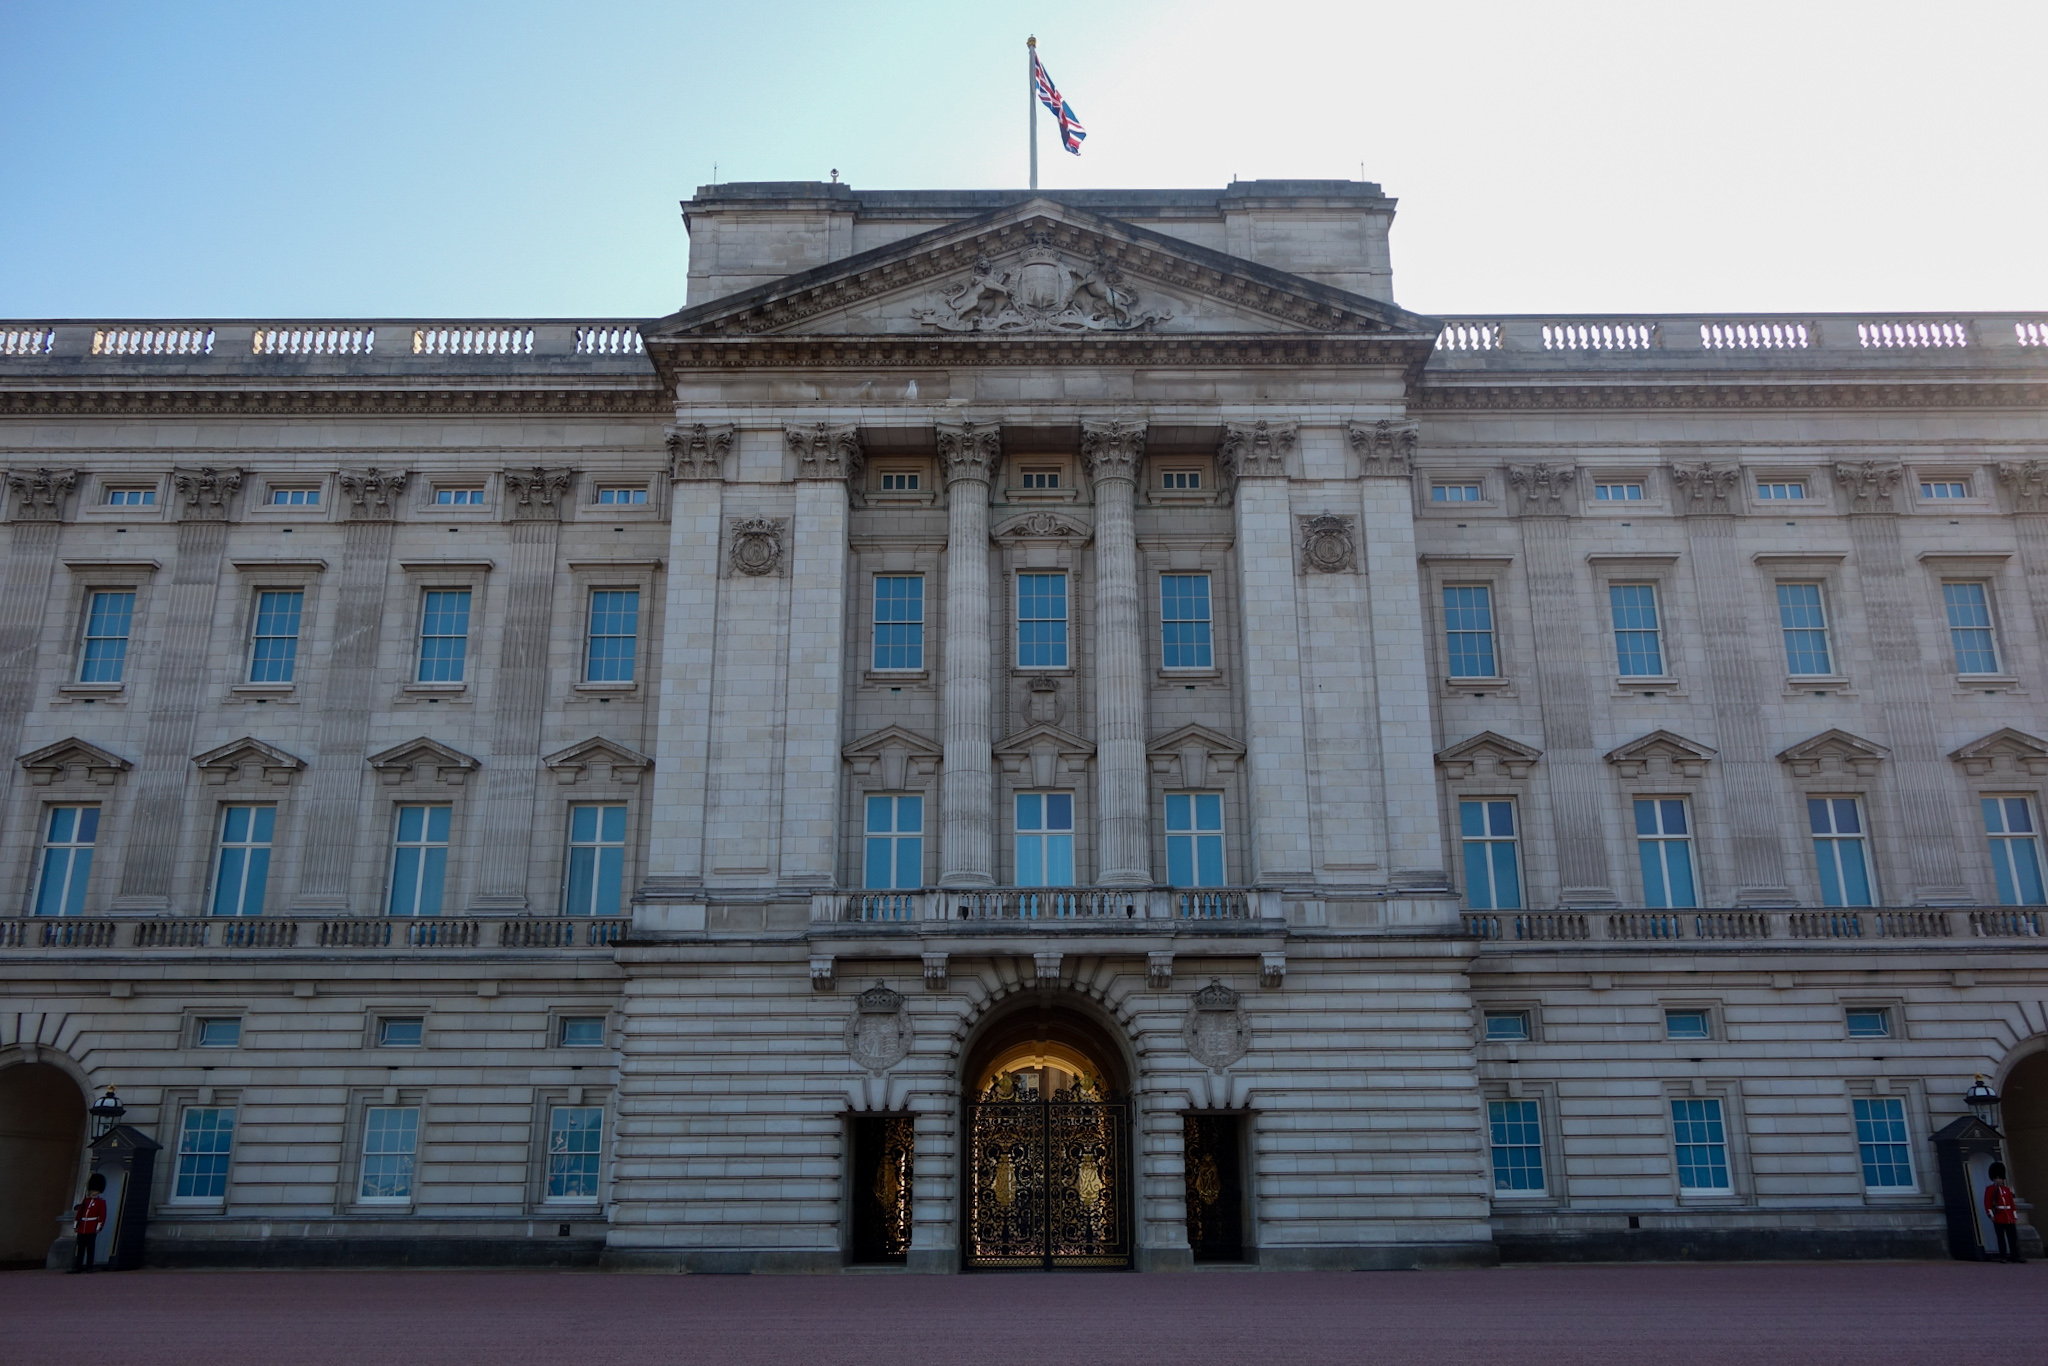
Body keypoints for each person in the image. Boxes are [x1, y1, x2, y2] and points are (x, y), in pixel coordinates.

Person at [1983, 1161, 2024, 1263]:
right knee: (2001, 1238)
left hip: (2009, 1216)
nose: (1999, 1180)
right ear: (1994, 1179)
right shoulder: (1990, 1189)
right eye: (1997, 1178)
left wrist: (2014, 1215)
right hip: (1998, 1216)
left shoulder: (2006, 1189)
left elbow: (2011, 1203)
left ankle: (2015, 1256)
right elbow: (1987, 1203)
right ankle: (2003, 1256)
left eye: (2000, 1178)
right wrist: (1991, 1215)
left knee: (2012, 1238)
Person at [68, 1172, 107, 1273]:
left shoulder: (101, 1202)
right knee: (80, 1248)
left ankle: (89, 1266)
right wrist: (76, 1225)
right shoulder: (86, 1201)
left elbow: (102, 1216)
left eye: (95, 1190)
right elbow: (79, 1214)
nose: (93, 1192)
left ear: (98, 1191)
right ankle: (78, 1266)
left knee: (90, 1248)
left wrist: (99, 1227)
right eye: (93, 1190)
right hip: (82, 1227)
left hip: (91, 1227)